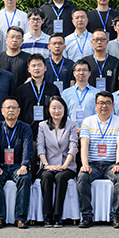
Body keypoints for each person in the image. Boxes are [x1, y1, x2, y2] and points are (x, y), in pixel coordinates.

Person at [76, 91, 119, 229]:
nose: (104, 106)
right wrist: (85, 164)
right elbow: (84, 144)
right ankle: (86, 215)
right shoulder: (88, 121)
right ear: (95, 105)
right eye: (101, 103)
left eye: (107, 103)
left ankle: (116, 215)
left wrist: (118, 163)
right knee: (82, 176)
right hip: (93, 164)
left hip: (111, 164)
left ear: (113, 105)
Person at [0, 96, 34, 229]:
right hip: (0, 165)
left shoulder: (25, 128)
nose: (11, 110)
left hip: (17, 165)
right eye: (8, 107)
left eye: (14, 107)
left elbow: (27, 148)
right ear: (2, 111)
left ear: (19, 111)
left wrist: (24, 165)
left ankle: (20, 218)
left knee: (24, 178)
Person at [37, 96, 79, 228]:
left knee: (60, 177)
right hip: (48, 164)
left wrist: (65, 165)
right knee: (47, 177)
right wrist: (46, 165)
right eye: (53, 108)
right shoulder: (42, 125)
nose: (57, 111)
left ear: (64, 109)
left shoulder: (71, 125)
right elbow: (40, 147)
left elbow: (73, 146)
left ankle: (57, 215)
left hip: (67, 165)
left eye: (60, 108)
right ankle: (47, 215)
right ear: (48, 110)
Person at [18, 53, 61, 135]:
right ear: (29, 69)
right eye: (33, 66)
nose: (36, 68)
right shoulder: (22, 90)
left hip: (49, 132)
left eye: (39, 65)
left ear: (45, 68)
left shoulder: (53, 89)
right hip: (27, 133)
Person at [61, 58, 99, 126]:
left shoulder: (97, 93)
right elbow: (63, 113)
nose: (81, 73)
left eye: (84, 70)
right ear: (74, 73)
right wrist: (72, 127)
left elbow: (98, 114)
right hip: (70, 130)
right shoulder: (65, 93)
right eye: (78, 70)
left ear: (89, 73)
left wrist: (86, 128)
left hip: (90, 129)